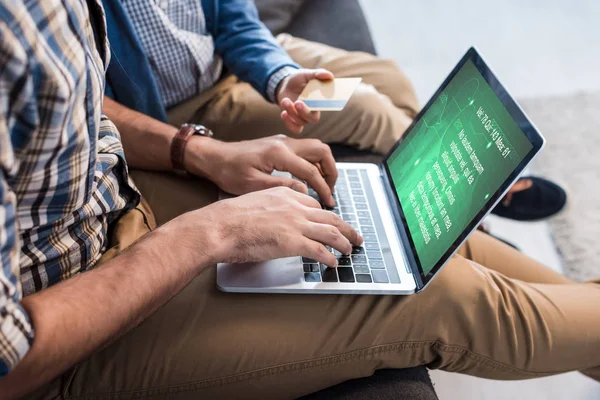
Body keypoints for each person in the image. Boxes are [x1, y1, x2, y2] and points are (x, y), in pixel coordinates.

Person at [2, 1, 598, 400]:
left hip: (118, 201)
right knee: (439, 295)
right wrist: (204, 235)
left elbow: (84, 107)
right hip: (66, 328)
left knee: (400, 225)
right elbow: (11, 356)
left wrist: (198, 153)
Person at [103, 0, 566, 222]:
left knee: (388, 77)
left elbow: (233, 19)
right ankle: (468, 203)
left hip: (236, 61)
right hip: (184, 106)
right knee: (368, 108)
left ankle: (431, 185)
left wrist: (280, 77)